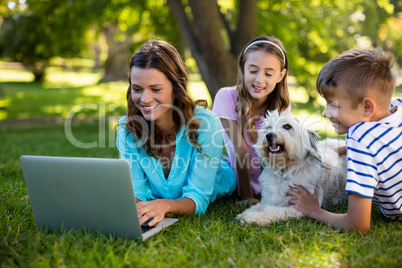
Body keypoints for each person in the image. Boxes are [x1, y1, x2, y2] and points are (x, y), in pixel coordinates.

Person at [116, 40, 236, 226]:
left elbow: (198, 197)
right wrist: (139, 207)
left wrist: (164, 206)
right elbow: (137, 192)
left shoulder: (206, 123)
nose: (145, 99)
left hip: (222, 180)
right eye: (137, 89)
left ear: (176, 88)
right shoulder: (127, 128)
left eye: (156, 89)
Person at [288, 48, 402, 233]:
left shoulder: (360, 138)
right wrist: (340, 149)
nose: (325, 113)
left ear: (367, 107)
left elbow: (357, 224)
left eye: (333, 105)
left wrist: (314, 210)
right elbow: (381, 144)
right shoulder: (396, 106)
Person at [212, 36, 290, 205]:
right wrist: (246, 196)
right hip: (233, 177)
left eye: (268, 73)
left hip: (269, 180)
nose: (259, 80)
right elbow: (241, 150)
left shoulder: (281, 104)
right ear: (242, 68)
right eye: (253, 70)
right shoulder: (226, 97)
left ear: (280, 75)